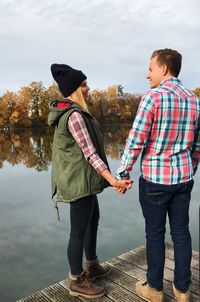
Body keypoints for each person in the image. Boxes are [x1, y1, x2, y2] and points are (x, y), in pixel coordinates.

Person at [116, 49, 200, 302]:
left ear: (164, 69)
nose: (147, 74)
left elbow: (135, 140)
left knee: (155, 234)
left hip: (155, 180)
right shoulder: (194, 100)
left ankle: (154, 289)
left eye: (150, 69)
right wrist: (189, 168)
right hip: (184, 179)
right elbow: (197, 146)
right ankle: (183, 291)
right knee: (182, 233)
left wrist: (123, 171)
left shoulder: (153, 98)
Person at [48, 63, 132, 299]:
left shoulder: (78, 112)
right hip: (77, 182)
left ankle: (92, 265)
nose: (88, 88)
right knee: (78, 231)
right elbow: (90, 152)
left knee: (92, 220)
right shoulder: (74, 115)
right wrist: (113, 180)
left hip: (84, 179)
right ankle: (76, 279)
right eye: (83, 85)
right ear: (74, 89)